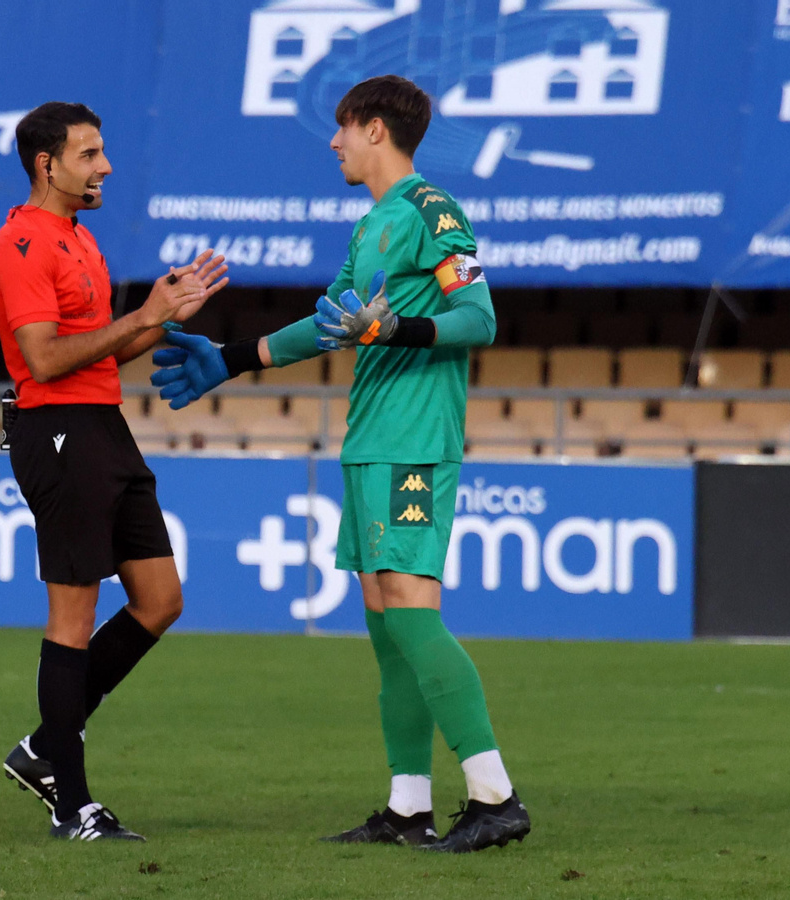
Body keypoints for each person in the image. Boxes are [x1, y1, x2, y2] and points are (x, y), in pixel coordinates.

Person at [150, 76, 528, 853]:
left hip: (413, 442)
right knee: (386, 624)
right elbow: (329, 326)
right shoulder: (373, 228)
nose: (334, 143)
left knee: (411, 608)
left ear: (378, 130)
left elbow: (478, 318)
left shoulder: (433, 211)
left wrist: (395, 332)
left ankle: (495, 794)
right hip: (371, 440)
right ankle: (408, 808)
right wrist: (232, 357)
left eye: (343, 128)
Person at [0, 101, 228, 842]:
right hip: (57, 433)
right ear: (46, 165)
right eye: (90, 154)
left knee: (160, 599)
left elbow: (100, 348)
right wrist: (141, 315)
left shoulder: (79, 242)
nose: (105, 167)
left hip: (102, 427)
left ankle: (43, 749)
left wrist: (165, 315)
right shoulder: (22, 245)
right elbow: (45, 358)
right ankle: (72, 807)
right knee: (73, 617)